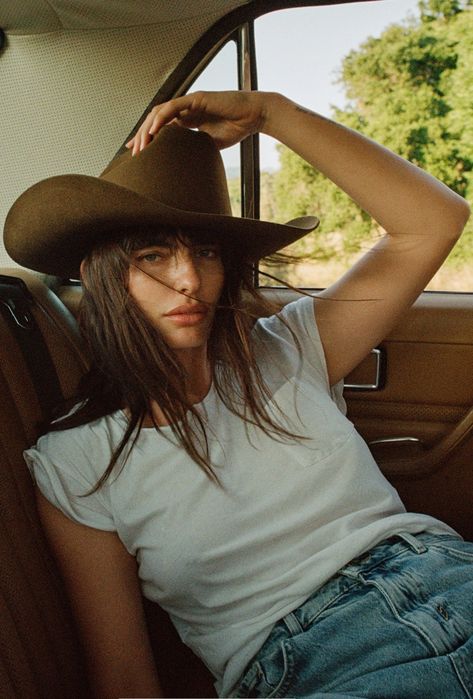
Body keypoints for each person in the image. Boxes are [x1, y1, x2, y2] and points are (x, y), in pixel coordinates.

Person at [4, 90, 472, 699]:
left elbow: (432, 221)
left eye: (205, 252)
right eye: (153, 255)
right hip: (310, 659)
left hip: (445, 572)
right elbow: (123, 675)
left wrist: (274, 114)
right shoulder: (77, 464)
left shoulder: (289, 349)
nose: (190, 280)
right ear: (103, 276)